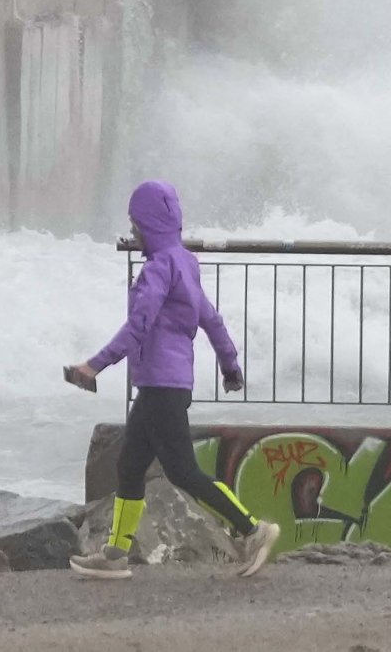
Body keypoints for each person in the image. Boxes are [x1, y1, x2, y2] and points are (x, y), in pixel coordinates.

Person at [64, 180, 280, 580]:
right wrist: (230, 366)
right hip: (163, 385)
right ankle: (115, 555)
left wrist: (94, 365)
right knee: (129, 467)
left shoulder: (158, 269)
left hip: (162, 386)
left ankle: (253, 530)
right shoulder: (185, 262)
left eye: (135, 224)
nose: (133, 233)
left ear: (148, 224)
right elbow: (211, 319)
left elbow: (138, 326)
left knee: (183, 471)